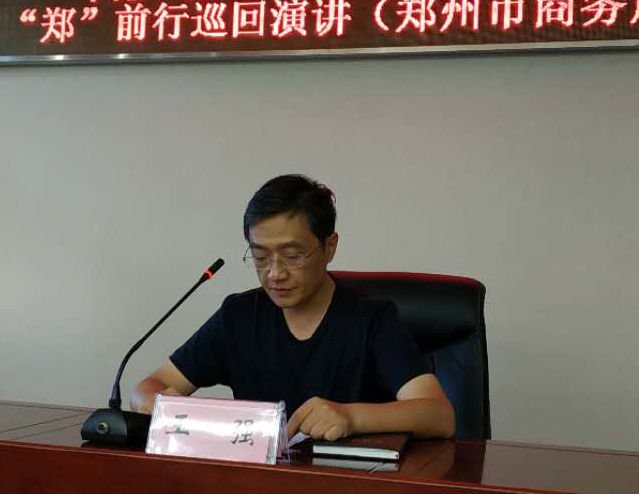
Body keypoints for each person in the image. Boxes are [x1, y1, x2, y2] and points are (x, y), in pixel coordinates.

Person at [133, 174, 456, 441]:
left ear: (329, 247)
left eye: (292, 256)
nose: (275, 273)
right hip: (257, 486)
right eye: (260, 257)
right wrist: (155, 403)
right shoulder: (238, 316)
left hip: (347, 487)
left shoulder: (371, 320)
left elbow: (439, 415)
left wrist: (352, 416)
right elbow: (149, 386)